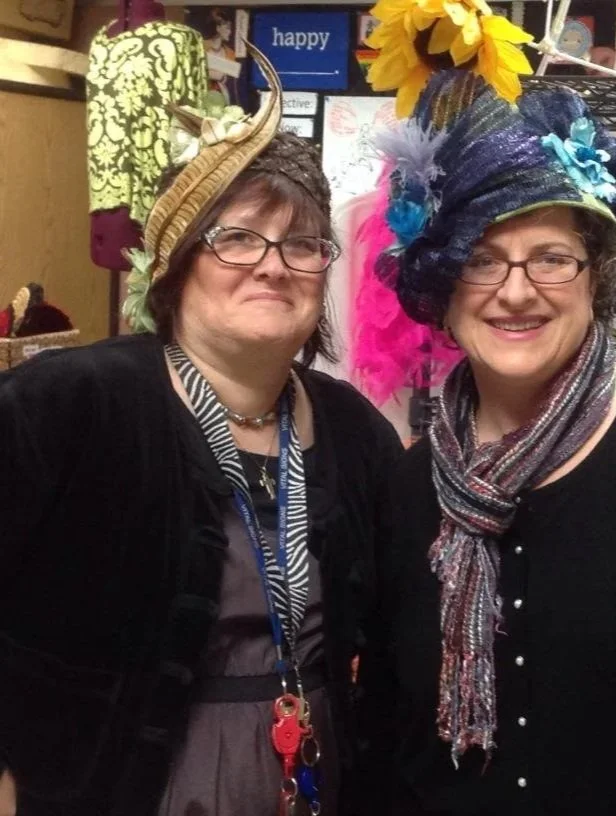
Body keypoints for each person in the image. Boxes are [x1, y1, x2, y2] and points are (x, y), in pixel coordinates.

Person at [356, 4, 616, 814]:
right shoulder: (411, 492)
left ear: (595, 278)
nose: (514, 291)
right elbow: (387, 731)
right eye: (481, 260)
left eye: (550, 257)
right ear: (442, 287)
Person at [0, 47, 401, 816]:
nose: (273, 266)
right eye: (239, 238)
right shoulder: (71, 405)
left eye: (303, 244)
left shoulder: (354, 434)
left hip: (310, 782)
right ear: (181, 261)